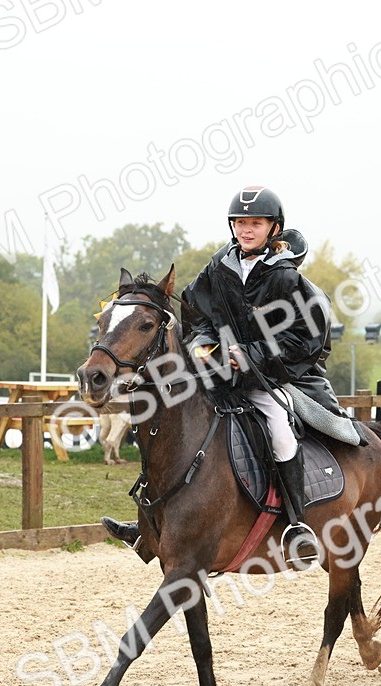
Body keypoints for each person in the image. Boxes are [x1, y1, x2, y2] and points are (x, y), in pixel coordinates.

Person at [102, 185, 342, 568]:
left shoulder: (288, 279)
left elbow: (307, 338)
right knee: (171, 416)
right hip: (219, 373)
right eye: (241, 223)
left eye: (256, 223)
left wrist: (252, 356)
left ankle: (297, 524)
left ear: (273, 228)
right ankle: (149, 525)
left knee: (279, 425)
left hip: (270, 377)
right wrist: (201, 345)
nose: (247, 230)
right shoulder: (220, 267)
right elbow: (197, 316)